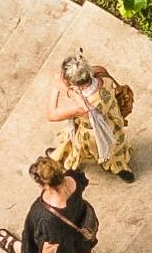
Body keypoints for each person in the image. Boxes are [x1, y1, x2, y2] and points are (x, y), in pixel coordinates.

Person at [0, 158, 113, 253]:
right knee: (86, 251)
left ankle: (24, 252)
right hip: (83, 225)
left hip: (68, 239)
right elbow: (83, 180)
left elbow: (50, 244)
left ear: (45, 186)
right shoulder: (73, 178)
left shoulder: (45, 214)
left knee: (31, 245)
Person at [47, 52, 137, 182]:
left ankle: (65, 159)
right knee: (116, 148)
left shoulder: (81, 107)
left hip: (92, 135)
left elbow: (51, 115)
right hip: (112, 123)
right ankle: (121, 169)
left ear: (72, 83)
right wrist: (72, 91)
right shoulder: (103, 76)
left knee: (77, 147)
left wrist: (57, 88)